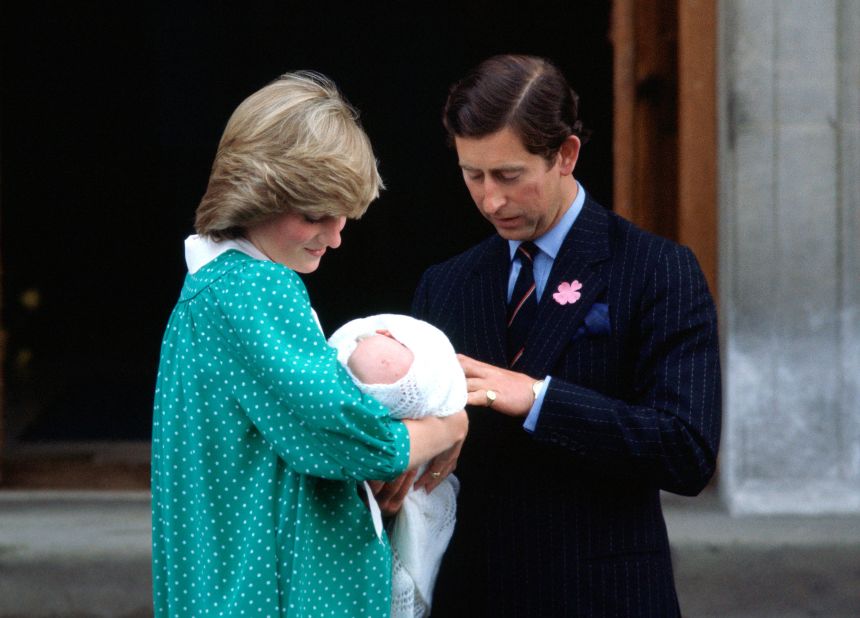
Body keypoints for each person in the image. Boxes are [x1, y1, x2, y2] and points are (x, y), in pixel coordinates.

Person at [409, 55, 722, 616]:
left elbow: (687, 450)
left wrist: (539, 399)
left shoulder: (656, 268)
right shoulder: (446, 283)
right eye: (471, 175)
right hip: (474, 594)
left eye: (509, 175)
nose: (490, 200)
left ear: (566, 154)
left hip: (604, 594)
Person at [150, 71, 468, 618]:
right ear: (254, 194)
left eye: (343, 213)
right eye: (315, 215)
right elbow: (341, 435)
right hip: (270, 596)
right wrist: (449, 424)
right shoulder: (255, 288)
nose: (337, 234)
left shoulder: (208, 291)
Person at [327, 313, 467, 618]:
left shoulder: (427, 356)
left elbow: (436, 388)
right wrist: (450, 426)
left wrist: (450, 414)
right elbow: (380, 451)